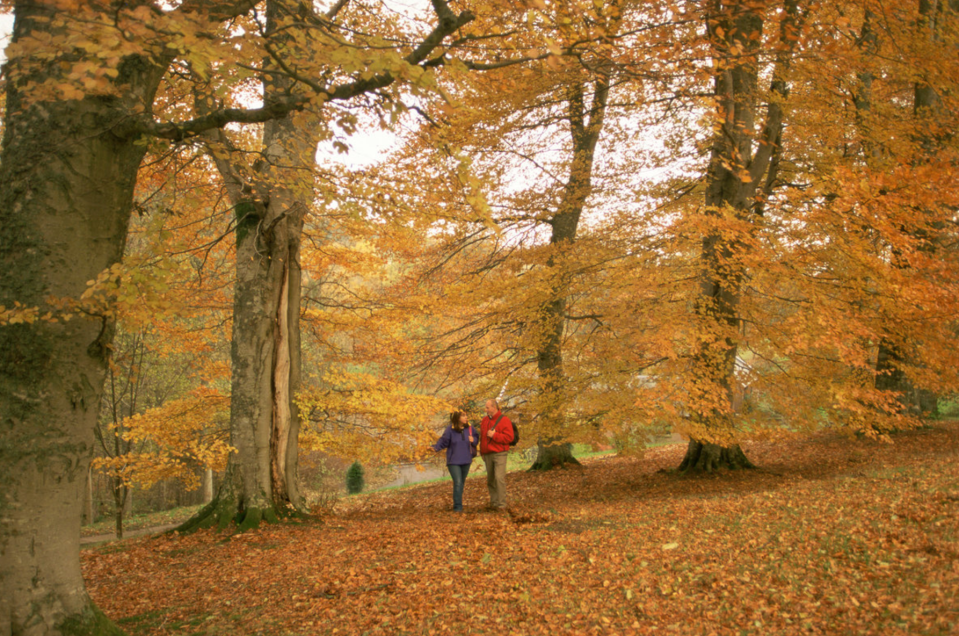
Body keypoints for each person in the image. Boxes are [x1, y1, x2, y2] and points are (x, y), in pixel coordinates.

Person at [432, 410, 478, 512]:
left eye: (466, 415)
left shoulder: (470, 428)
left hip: (466, 459)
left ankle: (459, 504)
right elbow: (443, 441)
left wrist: (473, 440)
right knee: (457, 482)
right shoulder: (450, 429)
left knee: (461, 483)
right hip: (454, 461)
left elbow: (476, 438)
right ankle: (457, 508)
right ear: (457, 418)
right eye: (463, 416)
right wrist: (435, 448)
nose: (466, 417)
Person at [479, 398, 513, 510]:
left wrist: (495, 435)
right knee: (491, 480)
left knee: (499, 478)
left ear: (494, 407)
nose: (486, 409)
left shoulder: (504, 420)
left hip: (500, 453)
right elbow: (482, 438)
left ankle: (502, 504)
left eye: (487, 407)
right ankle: (494, 503)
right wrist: (482, 452)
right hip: (487, 454)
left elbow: (509, 438)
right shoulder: (484, 420)